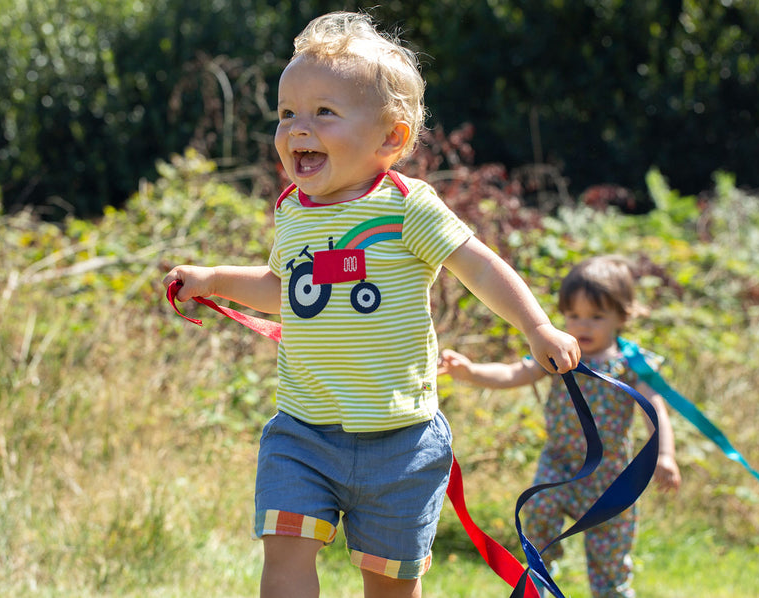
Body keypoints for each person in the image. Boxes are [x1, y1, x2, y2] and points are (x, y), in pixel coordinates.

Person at [163, 11, 580, 598]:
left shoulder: (408, 207)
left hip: (401, 442)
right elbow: (287, 292)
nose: (296, 129)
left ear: (391, 138)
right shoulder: (292, 209)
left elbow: (478, 265)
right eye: (287, 113)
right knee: (283, 559)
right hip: (303, 432)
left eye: (323, 113)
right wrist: (212, 279)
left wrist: (536, 326)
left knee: (389, 588)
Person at [439, 254, 681, 598]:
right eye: (573, 316)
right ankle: (537, 585)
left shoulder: (630, 362)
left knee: (610, 563)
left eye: (596, 317)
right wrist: (470, 371)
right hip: (558, 467)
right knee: (538, 515)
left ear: (622, 316)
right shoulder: (559, 355)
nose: (582, 326)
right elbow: (513, 373)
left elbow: (654, 408)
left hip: (611, 481)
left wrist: (665, 455)